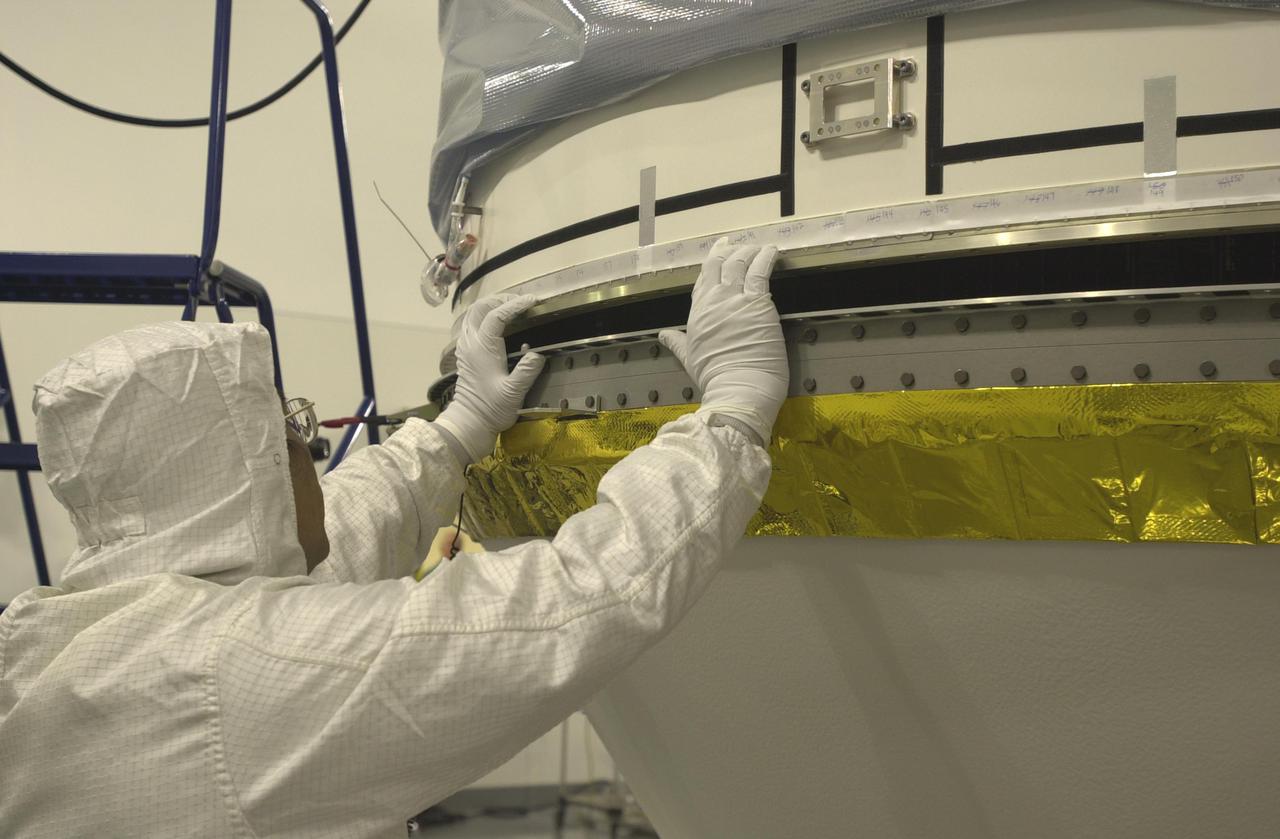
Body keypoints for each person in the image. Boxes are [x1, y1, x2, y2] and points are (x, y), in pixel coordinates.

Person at [0, 239, 787, 837]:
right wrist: (730, 418)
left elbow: (337, 527)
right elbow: (565, 605)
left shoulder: (72, 634)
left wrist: (458, 429)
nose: (313, 457)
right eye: (294, 436)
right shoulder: (236, 675)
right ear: (244, 484)